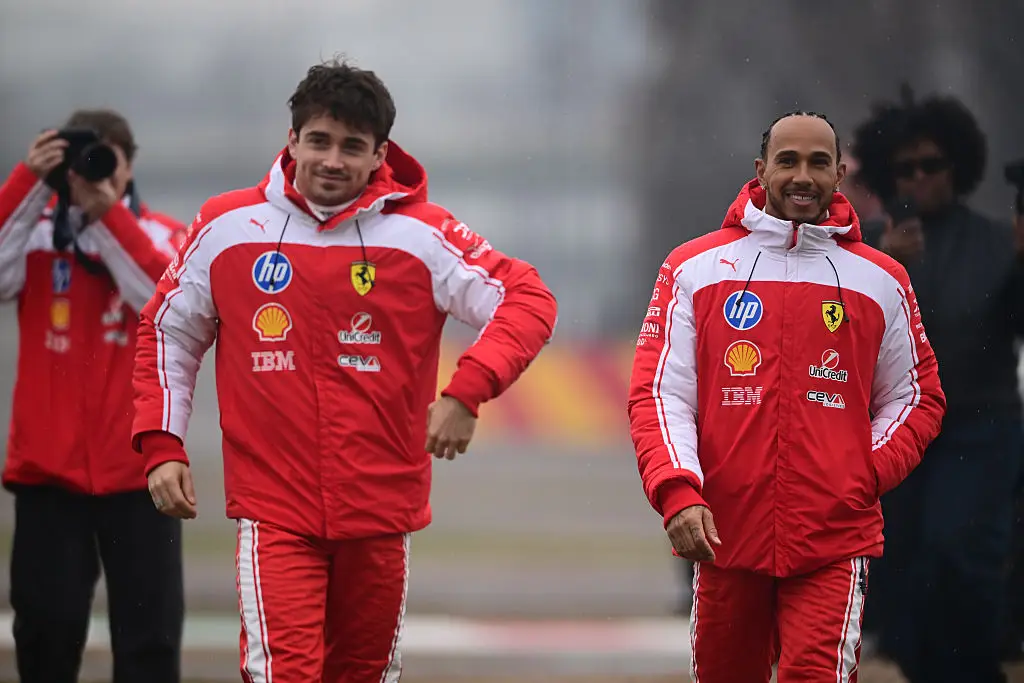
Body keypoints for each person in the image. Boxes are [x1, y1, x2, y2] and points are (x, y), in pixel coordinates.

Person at [130, 58, 558, 683]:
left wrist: (467, 393)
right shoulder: (226, 226)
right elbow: (166, 331)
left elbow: (527, 298)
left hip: (382, 515)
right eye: (319, 141)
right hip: (275, 511)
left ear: (380, 153)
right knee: (285, 675)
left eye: (352, 147)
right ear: (292, 142)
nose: (333, 161)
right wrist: (162, 443)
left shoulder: (422, 234)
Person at [627, 111, 945, 682]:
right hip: (724, 536)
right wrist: (678, 492)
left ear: (839, 173)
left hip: (833, 537)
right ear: (761, 170)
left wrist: (863, 471)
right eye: (788, 161)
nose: (803, 176)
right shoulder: (693, 268)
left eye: (819, 163)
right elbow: (659, 395)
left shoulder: (881, 278)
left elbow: (917, 397)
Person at [0, 110, 186, 683]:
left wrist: (106, 215)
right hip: (47, 474)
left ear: (130, 168)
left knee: (149, 642)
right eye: (81, 159)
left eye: (108, 160)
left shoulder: (165, 235)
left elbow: (166, 303)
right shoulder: (32, 231)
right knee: (43, 639)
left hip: (140, 474)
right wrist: (29, 181)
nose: (93, 172)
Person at [852, 89, 1024, 683]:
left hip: (981, 427)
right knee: (896, 575)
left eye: (933, 164)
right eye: (906, 168)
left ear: (959, 165)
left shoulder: (1001, 241)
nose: (920, 178)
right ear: (886, 174)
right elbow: (827, 327)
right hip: (896, 431)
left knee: (959, 556)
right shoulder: (859, 249)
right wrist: (878, 260)